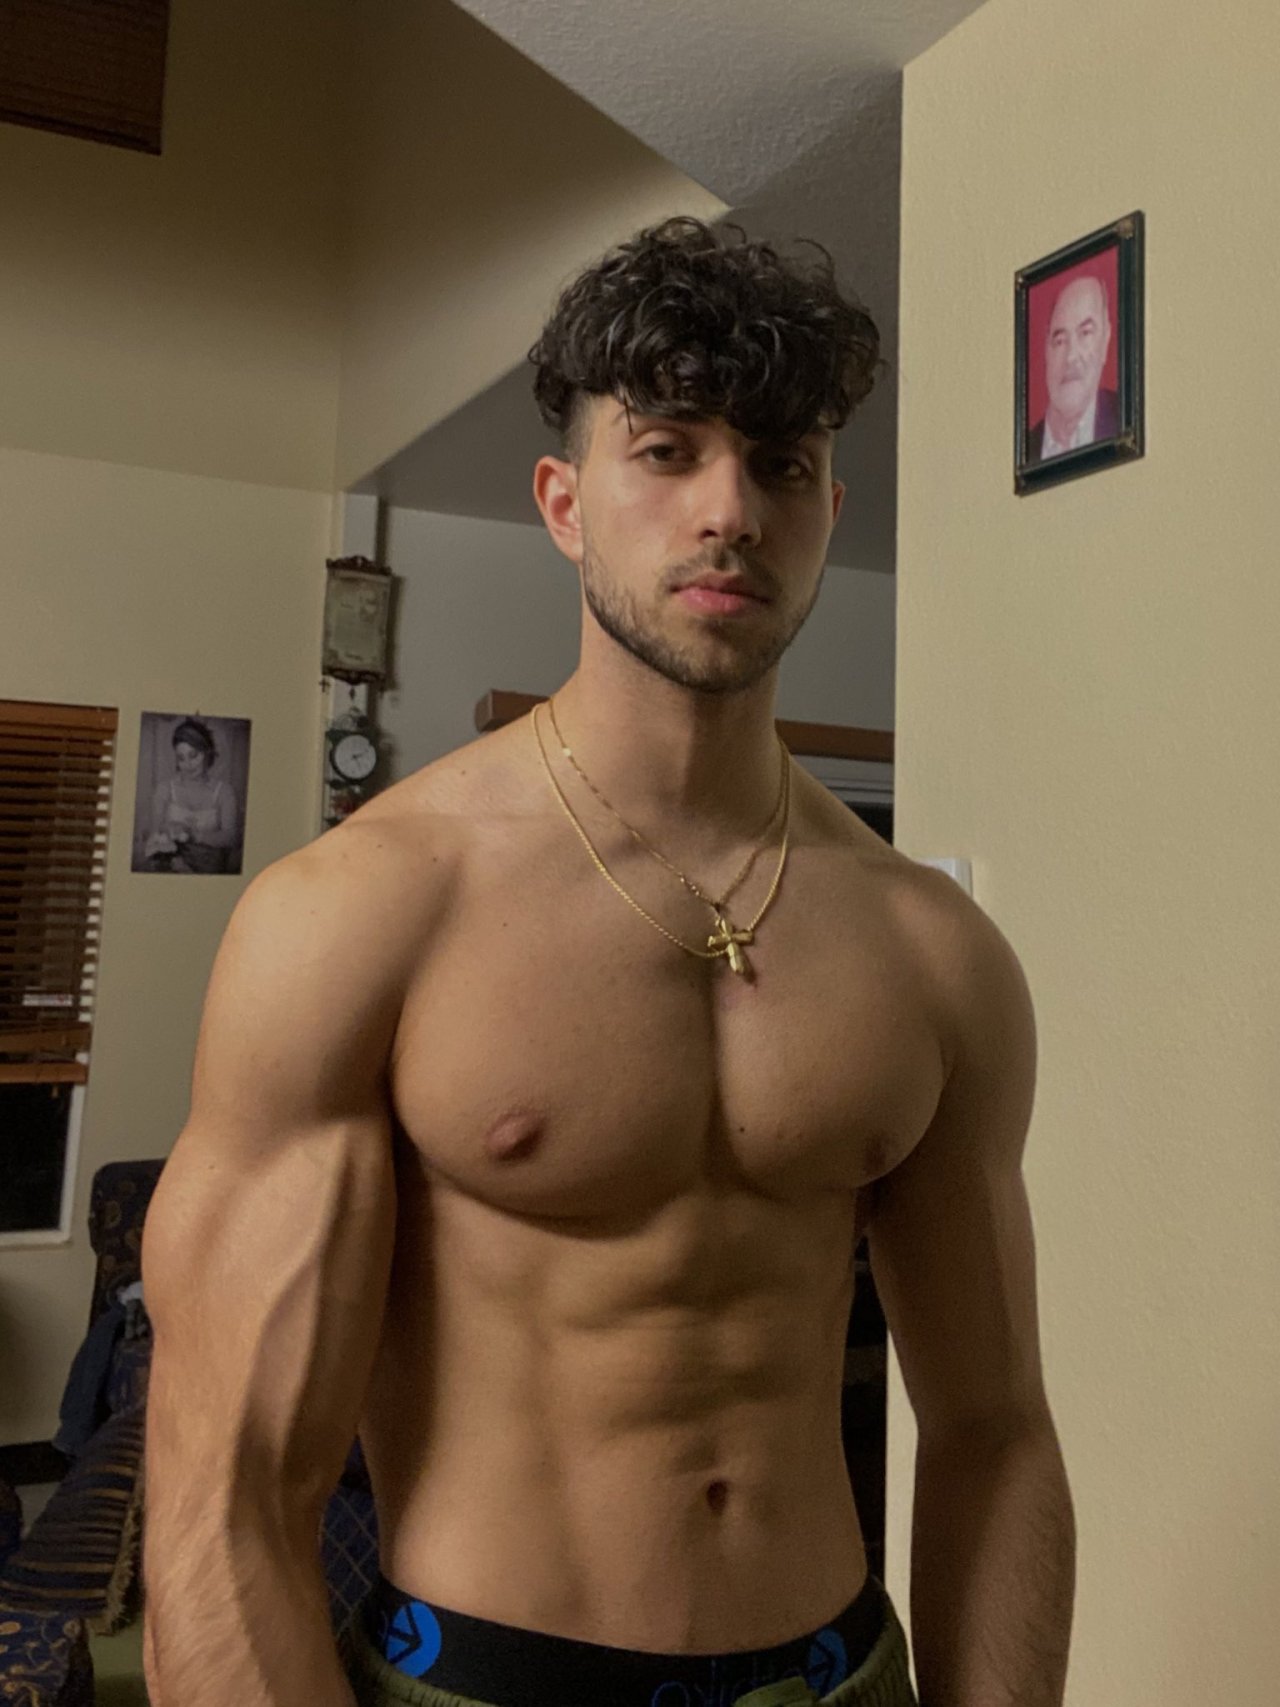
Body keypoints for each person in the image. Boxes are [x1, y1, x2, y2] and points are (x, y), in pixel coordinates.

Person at [141, 218, 1075, 1707]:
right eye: (667, 451)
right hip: (483, 1678)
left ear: (829, 509)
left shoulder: (931, 950)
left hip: (839, 1675)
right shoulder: (366, 909)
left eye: (779, 466)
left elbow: (995, 1435)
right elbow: (226, 1491)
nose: (730, 510)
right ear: (565, 503)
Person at [1028, 271, 1118, 462]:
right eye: (1060, 341)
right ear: (1046, 349)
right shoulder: (1026, 450)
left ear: (1105, 340)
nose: (1070, 357)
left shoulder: (1124, 421)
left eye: (1085, 333)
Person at [142, 717, 239, 874]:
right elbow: (154, 832)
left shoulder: (224, 791)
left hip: (210, 872)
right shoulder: (164, 788)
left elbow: (231, 837)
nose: (188, 764)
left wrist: (195, 836)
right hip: (172, 868)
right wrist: (167, 828)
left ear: (207, 752)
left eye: (193, 755)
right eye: (181, 758)